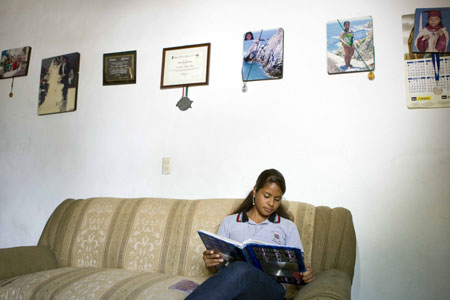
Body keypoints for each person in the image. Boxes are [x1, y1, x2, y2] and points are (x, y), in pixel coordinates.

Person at [186, 169, 315, 300]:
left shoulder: (288, 227)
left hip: (270, 290)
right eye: (267, 196)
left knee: (240, 268)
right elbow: (220, 270)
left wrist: (305, 275)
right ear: (255, 191)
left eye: (277, 199)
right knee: (237, 276)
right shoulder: (229, 222)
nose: (271, 203)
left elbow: (298, 272)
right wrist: (212, 265)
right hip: (238, 288)